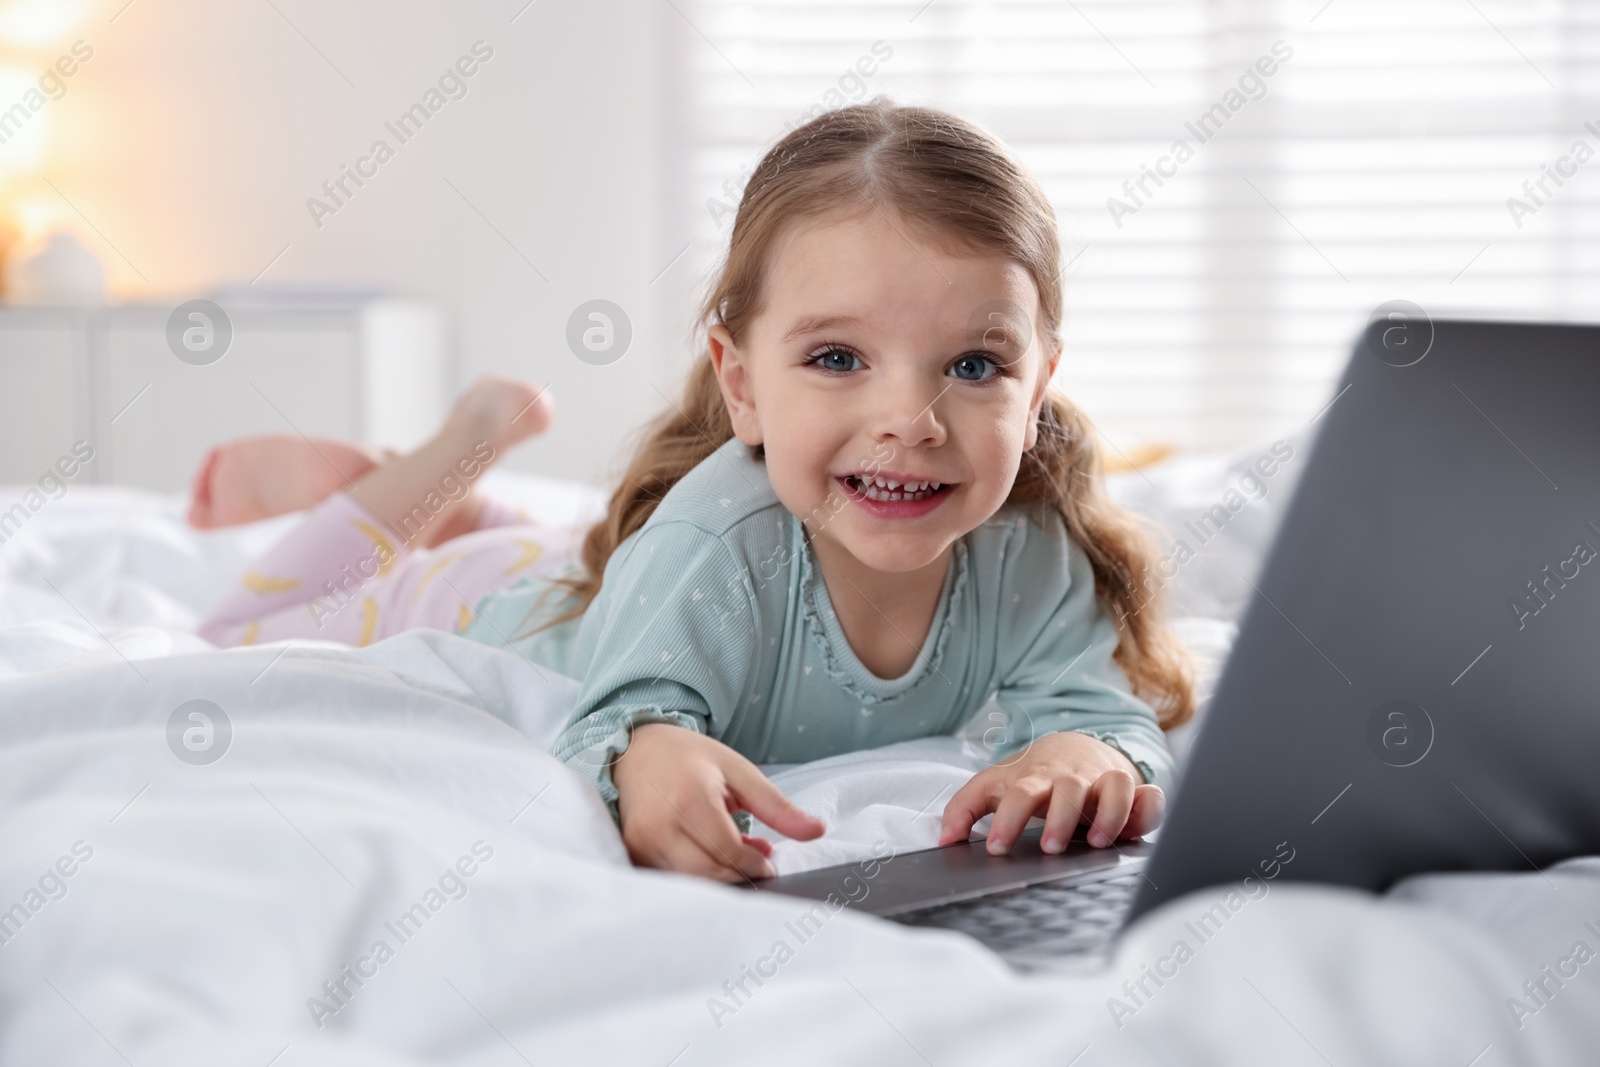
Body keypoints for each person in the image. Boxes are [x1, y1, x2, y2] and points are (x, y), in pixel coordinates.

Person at [195, 97, 1195, 884]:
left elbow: (1090, 705)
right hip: (482, 606)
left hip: (599, 579)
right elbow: (624, 719)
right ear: (741, 382)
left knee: (557, 552)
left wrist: (1077, 749)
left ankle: (484, 512)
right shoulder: (717, 542)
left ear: (1040, 386)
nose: (913, 419)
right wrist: (649, 753)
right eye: (839, 355)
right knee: (242, 630)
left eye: (975, 366)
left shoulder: (1026, 546)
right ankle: (435, 461)